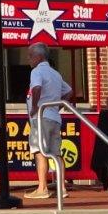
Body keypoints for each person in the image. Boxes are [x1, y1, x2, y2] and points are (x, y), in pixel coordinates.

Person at [25, 42, 74, 201]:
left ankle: (42, 188)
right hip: (54, 117)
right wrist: (57, 106)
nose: (29, 59)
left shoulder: (37, 71)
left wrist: (35, 107)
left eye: (31, 56)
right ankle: (62, 188)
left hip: (41, 117)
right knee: (56, 153)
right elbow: (69, 91)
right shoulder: (55, 74)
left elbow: (37, 88)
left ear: (39, 56)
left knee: (40, 152)